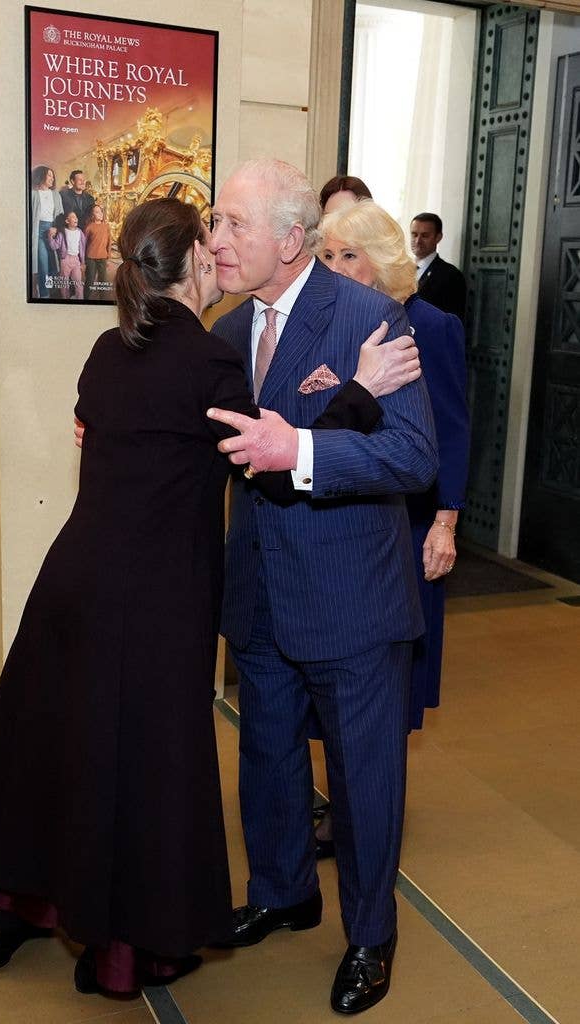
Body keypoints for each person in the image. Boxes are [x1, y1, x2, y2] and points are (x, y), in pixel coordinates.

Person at [0, 198, 262, 996]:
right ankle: (118, 949)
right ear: (194, 262)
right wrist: (355, 397)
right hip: (155, 601)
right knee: (136, 769)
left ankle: (19, 906)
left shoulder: (105, 349)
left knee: (50, 748)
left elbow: (100, 427)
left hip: (71, 581)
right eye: (213, 237)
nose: (223, 250)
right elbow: (266, 458)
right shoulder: (210, 365)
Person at [206, 160, 438, 1016]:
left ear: (289, 238)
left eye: (232, 224)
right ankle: (281, 891)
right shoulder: (230, 330)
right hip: (259, 592)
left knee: (362, 777)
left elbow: (414, 458)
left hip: (350, 597)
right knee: (264, 755)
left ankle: (371, 936)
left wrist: (299, 451)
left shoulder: (367, 318)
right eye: (215, 224)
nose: (217, 239)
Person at [304, 201, 470, 858]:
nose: (336, 269)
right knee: (338, 672)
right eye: (326, 257)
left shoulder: (429, 325)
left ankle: (367, 813)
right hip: (345, 517)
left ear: (383, 258)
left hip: (408, 520)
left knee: (387, 682)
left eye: (350, 255)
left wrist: (446, 523)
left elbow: (450, 428)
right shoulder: (328, 324)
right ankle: (345, 801)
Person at [410, 212, 467, 322]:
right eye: (414, 234)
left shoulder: (451, 276)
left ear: (438, 237)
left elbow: (452, 322)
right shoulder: (401, 269)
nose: (418, 241)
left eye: (425, 235)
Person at [30, 165, 63, 299]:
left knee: (53, 265)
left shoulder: (56, 194)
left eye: (52, 176)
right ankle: (44, 294)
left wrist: (56, 228)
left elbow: (61, 214)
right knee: (42, 263)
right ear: (41, 176)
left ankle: (51, 291)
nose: (52, 178)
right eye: (49, 175)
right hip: (38, 231)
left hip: (52, 230)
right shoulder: (32, 193)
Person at [49, 210, 86, 300]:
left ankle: (80, 300)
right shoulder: (62, 233)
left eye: (76, 217)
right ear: (67, 221)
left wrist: (83, 262)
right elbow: (54, 246)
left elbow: (82, 248)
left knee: (78, 283)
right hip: (65, 260)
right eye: (73, 217)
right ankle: (65, 300)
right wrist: (50, 236)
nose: (75, 218)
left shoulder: (80, 232)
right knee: (64, 283)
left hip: (76, 260)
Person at [84, 204, 112, 299]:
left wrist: (108, 256)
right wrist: (83, 260)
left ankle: (103, 301)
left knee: (103, 281)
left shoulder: (106, 227)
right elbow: (84, 243)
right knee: (90, 280)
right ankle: (85, 299)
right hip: (91, 257)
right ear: (93, 215)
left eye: (100, 211)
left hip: (103, 257)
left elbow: (109, 242)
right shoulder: (89, 227)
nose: (99, 214)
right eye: (96, 212)